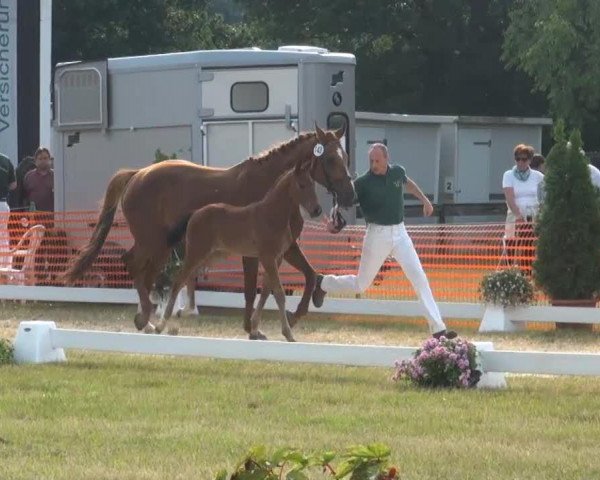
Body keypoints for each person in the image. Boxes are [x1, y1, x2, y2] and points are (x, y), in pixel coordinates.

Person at [312, 143, 457, 339]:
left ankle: (438, 329)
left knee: (420, 278)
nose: (374, 164)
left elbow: (408, 183)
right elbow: (343, 200)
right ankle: (323, 283)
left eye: (377, 161)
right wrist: (333, 216)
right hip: (376, 235)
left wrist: (425, 200)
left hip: (400, 233)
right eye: (371, 160)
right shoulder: (362, 182)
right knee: (361, 285)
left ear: (386, 159)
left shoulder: (397, 172)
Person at [502, 144, 544, 272]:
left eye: (524, 159)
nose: (520, 162)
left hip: (532, 215)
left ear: (530, 160)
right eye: (518, 159)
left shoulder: (538, 176)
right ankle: (509, 273)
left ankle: (527, 274)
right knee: (510, 244)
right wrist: (518, 215)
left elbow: (545, 194)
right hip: (515, 215)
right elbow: (509, 197)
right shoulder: (508, 175)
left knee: (527, 247)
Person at [0, 151, 16, 268]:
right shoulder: (6, 160)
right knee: (3, 237)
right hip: (3, 203)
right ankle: (5, 268)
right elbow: (14, 184)